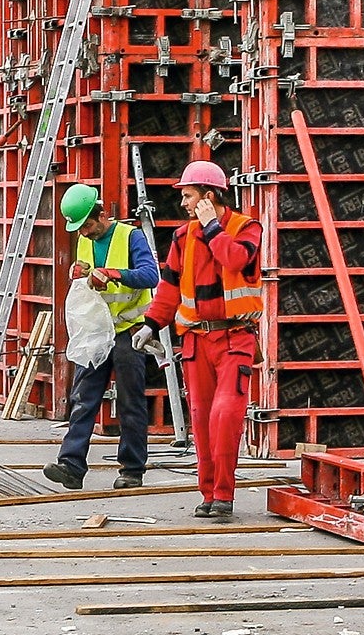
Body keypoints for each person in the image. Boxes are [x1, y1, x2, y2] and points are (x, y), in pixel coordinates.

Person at [146, 159, 264, 519]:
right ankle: (209, 494)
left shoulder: (247, 228)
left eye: (188, 196)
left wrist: (213, 227)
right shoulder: (182, 238)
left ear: (208, 197)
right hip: (197, 343)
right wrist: (151, 324)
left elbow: (233, 258)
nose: (183, 204)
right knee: (201, 419)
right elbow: (168, 288)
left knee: (225, 415)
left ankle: (223, 495)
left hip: (235, 339)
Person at [43, 182, 160, 490]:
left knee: (130, 402)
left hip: (128, 330)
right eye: (79, 228)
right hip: (98, 331)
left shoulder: (130, 236)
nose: (83, 232)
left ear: (102, 214)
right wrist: (80, 274)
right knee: (83, 397)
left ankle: (132, 469)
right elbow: (88, 275)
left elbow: (151, 275)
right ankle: (71, 465)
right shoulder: (84, 241)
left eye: (87, 225)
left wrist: (113, 274)